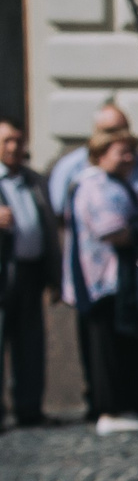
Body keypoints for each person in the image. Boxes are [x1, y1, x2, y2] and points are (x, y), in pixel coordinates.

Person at [51, 103, 138, 422]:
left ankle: (129, 402)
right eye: (120, 150)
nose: (128, 157)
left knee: (126, 345)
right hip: (101, 278)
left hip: (121, 279)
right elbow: (113, 231)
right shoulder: (96, 184)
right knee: (106, 348)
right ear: (101, 151)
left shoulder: (121, 179)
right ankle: (109, 409)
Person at [0, 117, 57, 429]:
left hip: (30, 272)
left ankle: (29, 408)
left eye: (18, 141)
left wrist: (55, 275)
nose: (14, 147)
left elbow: (48, 229)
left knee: (30, 345)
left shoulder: (34, 180)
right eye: (7, 141)